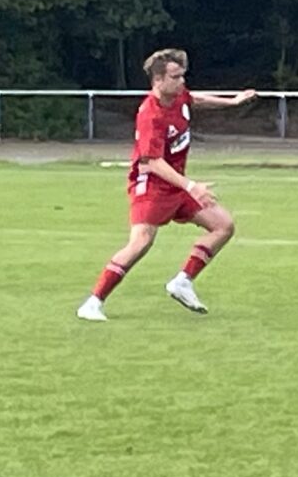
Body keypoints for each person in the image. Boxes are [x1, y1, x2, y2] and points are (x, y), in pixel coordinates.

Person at [77, 48, 257, 320]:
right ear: (158, 80)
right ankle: (93, 303)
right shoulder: (151, 114)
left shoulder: (178, 96)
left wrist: (232, 102)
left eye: (182, 75)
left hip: (176, 185)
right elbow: (152, 162)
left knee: (223, 225)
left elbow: (195, 99)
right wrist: (191, 186)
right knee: (140, 243)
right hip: (151, 187)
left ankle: (182, 282)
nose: (182, 81)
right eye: (175, 77)